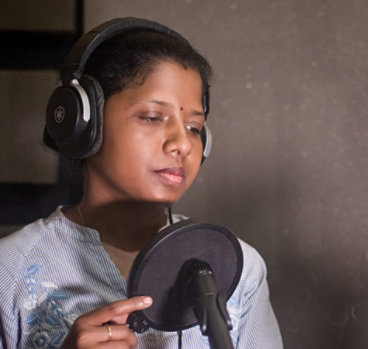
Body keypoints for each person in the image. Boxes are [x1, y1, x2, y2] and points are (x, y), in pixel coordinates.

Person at [0, 18, 282, 349]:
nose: (182, 144)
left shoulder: (238, 269)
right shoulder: (10, 272)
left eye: (194, 127)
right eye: (151, 117)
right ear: (84, 123)